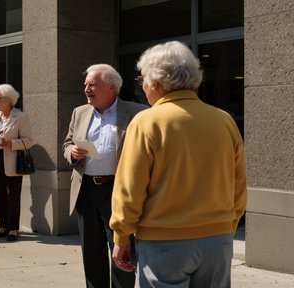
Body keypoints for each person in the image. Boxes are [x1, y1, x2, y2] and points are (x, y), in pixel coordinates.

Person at [110, 41, 247, 287]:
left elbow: (130, 189)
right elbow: (238, 186)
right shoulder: (223, 120)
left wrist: (121, 236)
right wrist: (228, 226)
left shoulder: (147, 122)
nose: (143, 88)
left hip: (164, 241)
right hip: (217, 239)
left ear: (155, 82)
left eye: (142, 81)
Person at [63, 64, 147, 287]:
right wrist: (71, 152)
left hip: (119, 191)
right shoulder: (79, 113)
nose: (87, 89)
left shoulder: (138, 113)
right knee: (91, 254)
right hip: (86, 190)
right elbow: (67, 144)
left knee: (122, 252)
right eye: (85, 85)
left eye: (93, 84)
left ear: (112, 87)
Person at [0, 84, 33, 242]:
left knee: (13, 196)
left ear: (9, 100)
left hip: (12, 160)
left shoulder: (21, 116)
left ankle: (13, 229)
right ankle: (3, 226)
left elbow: (28, 141)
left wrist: (11, 144)